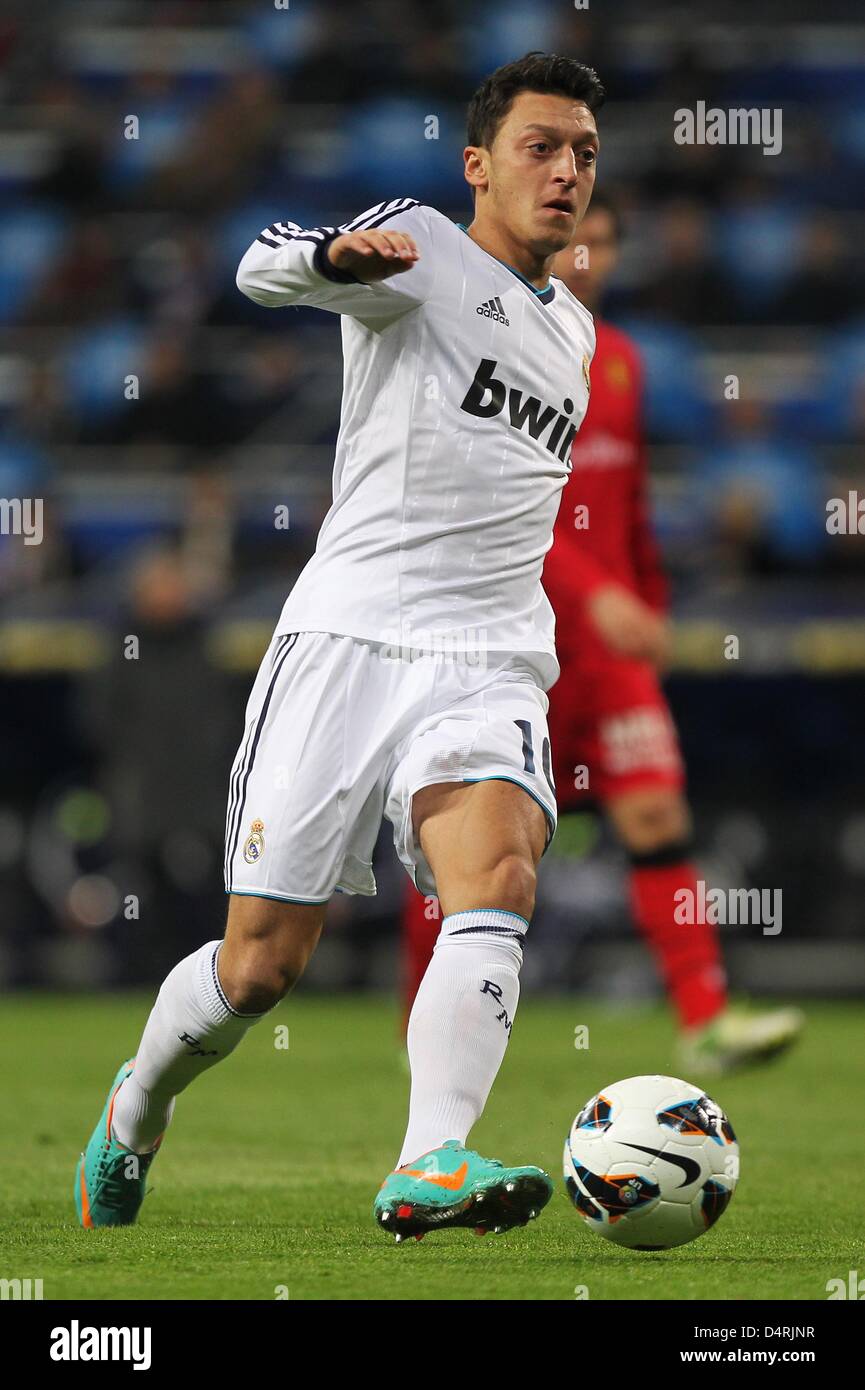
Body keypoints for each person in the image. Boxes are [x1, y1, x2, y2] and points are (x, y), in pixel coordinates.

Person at [75, 52, 605, 1242]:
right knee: (260, 966)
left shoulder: (572, 329)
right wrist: (329, 259)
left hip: (488, 653)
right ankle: (136, 1106)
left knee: (499, 876)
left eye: (582, 152)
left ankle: (430, 1158)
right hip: (348, 640)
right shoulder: (417, 243)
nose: (565, 170)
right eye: (540, 146)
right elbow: (261, 262)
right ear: (479, 164)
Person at [401, 193, 804, 1077]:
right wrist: (594, 598)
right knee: (460, 835)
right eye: (579, 238)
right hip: (511, 630)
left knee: (657, 810)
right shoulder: (493, 346)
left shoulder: (617, 360)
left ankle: (705, 1015)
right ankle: (419, 1013)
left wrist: (646, 598)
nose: (591, 255)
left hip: (607, 650)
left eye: (607, 241)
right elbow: (501, 508)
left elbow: (625, 503)